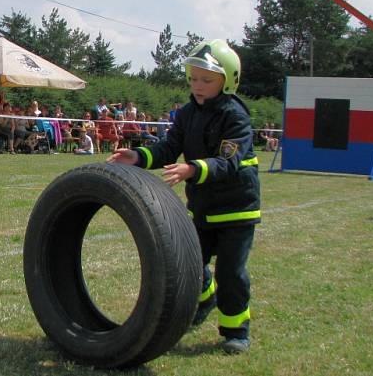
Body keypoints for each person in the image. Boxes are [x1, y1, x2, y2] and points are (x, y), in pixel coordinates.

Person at [107, 39, 260, 354]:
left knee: (230, 273)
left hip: (236, 211)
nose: (198, 85)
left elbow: (229, 161)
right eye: (193, 78)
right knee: (188, 265)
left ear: (227, 81)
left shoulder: (236, 116)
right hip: (203, 209)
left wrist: (192, 168)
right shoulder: (187, 113)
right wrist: (137, 156)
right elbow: (167, 147)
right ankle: (205, 300)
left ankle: (236, 332)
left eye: (206, 80)